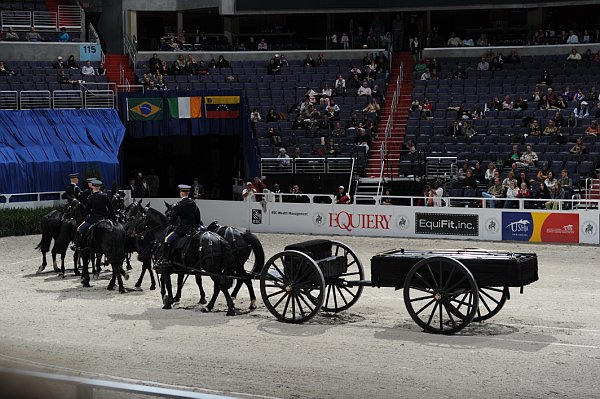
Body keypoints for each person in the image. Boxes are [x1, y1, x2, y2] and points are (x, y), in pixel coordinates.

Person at [158, 184, 201, 264]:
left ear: (181, 193)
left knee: (167, 239)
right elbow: (198, 218)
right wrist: (196, 227)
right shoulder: (193, 203)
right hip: (193, 229)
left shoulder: (179, 204)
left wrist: (173, 224)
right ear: (187, 193)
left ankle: (165, 260)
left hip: (183, 229)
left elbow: (173, 220)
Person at [75, 179, 116, 250]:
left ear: (93, 187)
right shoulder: (105, 196)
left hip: (93, 219)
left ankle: (78, 246)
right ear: (99, 187)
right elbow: (111, 209)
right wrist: (114, 218)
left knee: (79, 228)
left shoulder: (90, 197)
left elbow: (87, 211)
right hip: (104, 218)